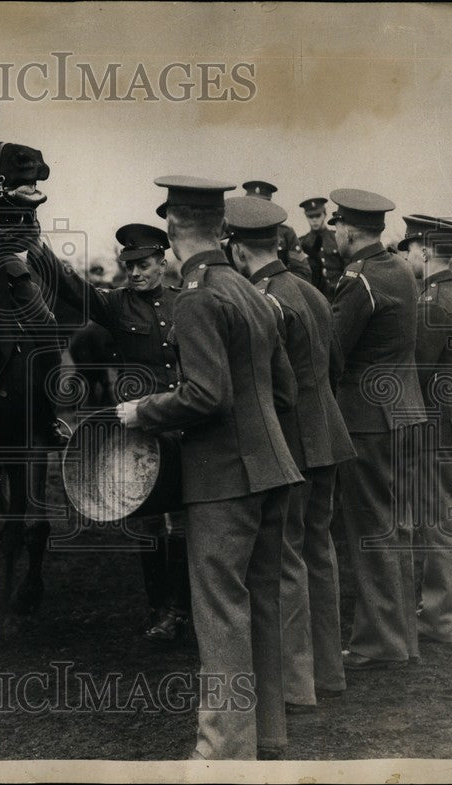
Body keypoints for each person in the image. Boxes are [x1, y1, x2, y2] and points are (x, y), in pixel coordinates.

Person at [117, 176, 302, 760]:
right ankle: (265, 734)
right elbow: (286, 392)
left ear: (172, 229)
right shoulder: (250, 290)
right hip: (274, 467)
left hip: (224, 478)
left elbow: (205, 396)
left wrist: (140, 411)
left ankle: (223, 750)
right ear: (220, 227)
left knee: (220, 613)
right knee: (261, 605)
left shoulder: (196, 296)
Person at [225, 197, 356, 713]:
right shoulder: (310, 289)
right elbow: (336, 365)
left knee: (285, 560)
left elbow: (269, 387)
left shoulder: (263, 300)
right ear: (277, 240)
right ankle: (329, 672)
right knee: (319, 554)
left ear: (236, 248)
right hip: (327, 435)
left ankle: (297, 685)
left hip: (293, 442)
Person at [30, 223, 191, 642]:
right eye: (129, 265)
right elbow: (71, 287)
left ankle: (187, 607)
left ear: (163, 262)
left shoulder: (186, 303)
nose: (136, 272)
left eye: (144, 264)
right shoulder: (116, 306)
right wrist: (36, 246)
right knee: (149, 523)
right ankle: (161, 611)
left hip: (187, 426)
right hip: (142, 432)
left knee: (189, 522)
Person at [328, 189, 426, 670]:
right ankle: (401, 636)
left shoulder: (359, 279)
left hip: (368, 419)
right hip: (406, 411)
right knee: (397, 529)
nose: (336, 237)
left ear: (348, 228)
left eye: (337, 228)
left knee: (371, 531)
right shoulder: (400, 268)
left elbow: (333, 350)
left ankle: (379, 642)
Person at [400, 215, 452, 643]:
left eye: (412, 249)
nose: (409, 257)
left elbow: (417, 370)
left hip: (444, 427)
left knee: (440, 521)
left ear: (426, 251)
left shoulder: (433, 301)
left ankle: (440, 619)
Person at [241, 180, 311, 282]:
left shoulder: (286, 233)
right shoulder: (236, 233)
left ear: (270, 207)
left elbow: (303, 272)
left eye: (262, 205)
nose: (256, 210)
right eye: (252, 204)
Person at [298, 197, 346, 297]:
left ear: (324, 214)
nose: (314, 220)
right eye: (310, 217)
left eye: (318, 215)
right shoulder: (302, 242)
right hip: (315, 296)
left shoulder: (336, 238)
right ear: (306, 217)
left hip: (339, 293)